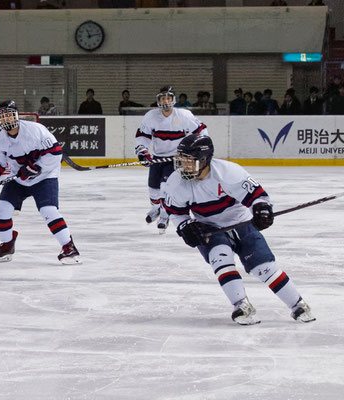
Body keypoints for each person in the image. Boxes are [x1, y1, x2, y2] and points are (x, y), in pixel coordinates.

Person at [164, 134, 315, 325]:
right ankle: (241, 305)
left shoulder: (228, 172)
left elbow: (258, 197)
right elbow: (176, 213)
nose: (183, 166)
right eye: (181, 160)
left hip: (242, 223)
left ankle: (297, 304)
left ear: (204, 159)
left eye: (189, 161)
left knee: (263, 267)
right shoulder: (176, 182)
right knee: (221, 259)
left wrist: (261, 210)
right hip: (210, 229)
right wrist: (185, 226)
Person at [0, 100, 81, 264]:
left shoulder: (35, 130)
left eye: (9, 115)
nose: (6, 120)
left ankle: (69, 247)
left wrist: (37, 168)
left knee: (49, 210)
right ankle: (7, 243)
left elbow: (55, 154)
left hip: (45, 176)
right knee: (2, 210)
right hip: (19, 178)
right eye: (2, 117)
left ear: (17, 115)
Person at [135, 86, 208, 234]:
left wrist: (198, 148)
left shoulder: (184, 115)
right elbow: (143, 136)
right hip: (158, 157)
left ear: (173, 99)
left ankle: (164, 215)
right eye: (162, 98)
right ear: (158, 101)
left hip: (176, 159)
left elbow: (201, 131)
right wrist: (143, 152)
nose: (165, 101)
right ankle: (156, 208)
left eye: (168, 98)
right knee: (153, 188)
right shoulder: (151, 116)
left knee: (165, 187)